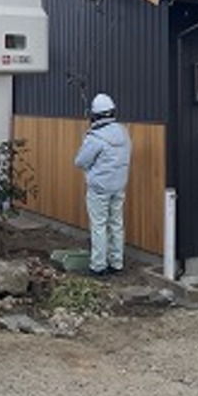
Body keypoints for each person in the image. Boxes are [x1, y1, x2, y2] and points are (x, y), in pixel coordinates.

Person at [74, 93, 132, 277]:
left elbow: (80, 161)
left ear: (95, 115)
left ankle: (98, 265)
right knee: (116, 224)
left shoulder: (95, 137)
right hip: (119, 185)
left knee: (99, 226)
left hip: (99, 188)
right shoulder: (123, 132)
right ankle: (117, 263)